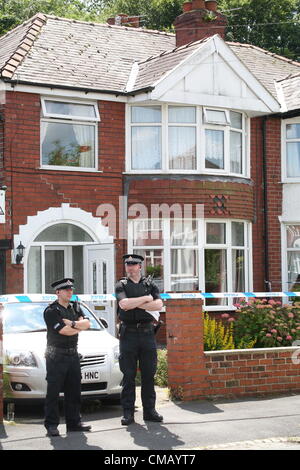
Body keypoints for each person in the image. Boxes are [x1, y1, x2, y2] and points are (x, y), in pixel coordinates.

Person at [115, 254, 164, 425]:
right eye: (127, 264)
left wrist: (135, 304)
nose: (129, 267)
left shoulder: (149, 284)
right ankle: (128, 413)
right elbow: (124, 305)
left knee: (149, 375)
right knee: (128, 376)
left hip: (147, 333)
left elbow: (159, 305)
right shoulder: (121, 284)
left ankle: (150, 411)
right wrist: (145, 299)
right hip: (128, 334)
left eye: (133, 264)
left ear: (140, 266)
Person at [43, 278, 92, 436]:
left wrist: (71, 324)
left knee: (74, 391)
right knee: (53, 392)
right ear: (58, 292)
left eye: (71, 289)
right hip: (56, 355)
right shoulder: (51, 311)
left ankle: (74, 422)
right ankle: (51, 425)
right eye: (66, 290)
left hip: (73, 354)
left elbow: (88, 324)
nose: (70, 292)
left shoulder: (75, 307)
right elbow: (63, 331)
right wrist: (78, 326)